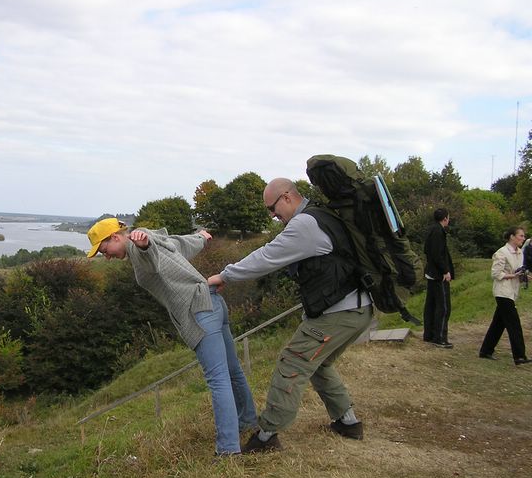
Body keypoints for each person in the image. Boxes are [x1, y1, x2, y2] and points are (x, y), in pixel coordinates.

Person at [208, 178, 372, 454]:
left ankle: (266, 437)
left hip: (340, 310)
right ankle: (348, 423)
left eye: (272, 209)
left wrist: (224, 275)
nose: (273, 217)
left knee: (292, 361)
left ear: (286, 197)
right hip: (357, 306)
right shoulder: (319, 216)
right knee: (316, 363)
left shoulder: (305, 225)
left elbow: (267, 257)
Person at [86, 218, 258, 455]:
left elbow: (150, 259)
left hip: (199, 312)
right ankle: (248, 422)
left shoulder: (138, 247)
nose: (106, 256)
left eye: (104, 250)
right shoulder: (155, 237)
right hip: (214, 302)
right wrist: (202, 238)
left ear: (116, 237)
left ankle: (228, 449)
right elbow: (180, 244)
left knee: (218, 380)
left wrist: (144, 245)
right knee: (233, 371)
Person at [479, 227, 530, 365]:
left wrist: (525, 276)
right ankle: (519, 355)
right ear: (512, 237)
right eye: (520, 236)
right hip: (503, 292)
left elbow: (519, 270)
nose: (523, 238)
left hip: (512, 291)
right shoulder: (501, 252)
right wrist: (513, 275)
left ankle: (486, 350)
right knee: (514, 324)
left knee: (498, 323)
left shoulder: (520, 253)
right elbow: (496, 274)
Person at [422, 208, 455, 349]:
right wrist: (445, 271)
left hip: (431, 272)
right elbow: (437, 254)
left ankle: (429, 334)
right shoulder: (438, 232)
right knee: (443, 306)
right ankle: (439, 337)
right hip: (438, 274)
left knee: (431, 305)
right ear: (445, 218)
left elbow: (426, 250)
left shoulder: (432, 230)